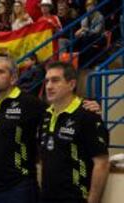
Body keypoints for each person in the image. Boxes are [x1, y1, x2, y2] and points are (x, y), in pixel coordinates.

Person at [39, 62, 110, 203]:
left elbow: (102, 164)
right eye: (47, 81)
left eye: (55, 80)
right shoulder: (46, 115)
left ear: (71, 84)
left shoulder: (87, 115)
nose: (48, 86)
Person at [0, 56, 45, 203]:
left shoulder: (29, 103)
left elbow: (60, 112)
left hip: (20, 187)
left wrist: (87, 105)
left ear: (14, 78)